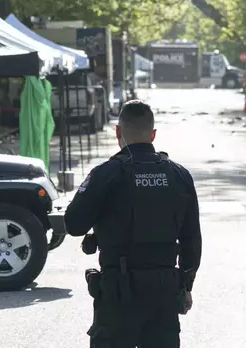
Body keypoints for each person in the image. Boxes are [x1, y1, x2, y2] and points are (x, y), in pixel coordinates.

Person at [64, 100, 202, 348]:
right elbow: (192, 238)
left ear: (118, 132)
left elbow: (73, 224)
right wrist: (186, 285)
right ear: (153, 134)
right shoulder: (179, 175)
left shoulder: (107, 173)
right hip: (165, 292)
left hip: (119, 293)